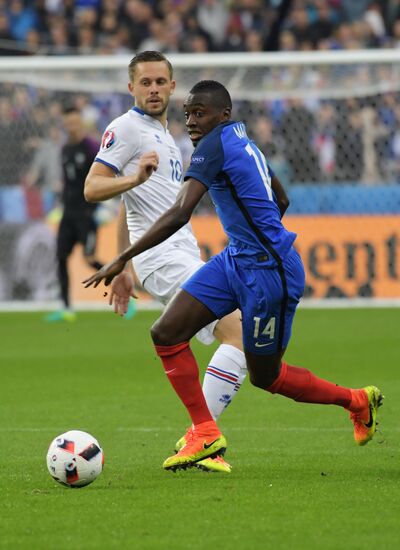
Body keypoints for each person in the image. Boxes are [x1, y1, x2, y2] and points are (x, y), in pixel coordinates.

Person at [84, 80, 383, 472]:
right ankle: (206, 432)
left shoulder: (213, 146)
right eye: (188, 112)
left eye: (200, 113)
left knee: (266, 375)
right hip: (236, 259)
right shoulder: (242, 137)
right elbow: (282, 198)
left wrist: (120, 258)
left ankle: (356, 401)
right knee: (166, 332)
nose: (191, 121)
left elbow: (179, 214)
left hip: (267, 273)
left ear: (222, 114)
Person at [84, 51, 247, 474]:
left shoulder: (166, 135)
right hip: (165, 259)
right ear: (131, 88)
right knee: (240, 335)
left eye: (161, 82)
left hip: (172, 255)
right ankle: (202, 436)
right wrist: (133, 179)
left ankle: (202, 436)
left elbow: (130, 206)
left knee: (238, 336)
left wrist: (123, 267)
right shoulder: (125, 129)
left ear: (172, 87)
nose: (153, 89)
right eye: (145, 82)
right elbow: (93, 187)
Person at [46, 106, 104, 322]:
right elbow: (67, 182)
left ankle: (124, 286)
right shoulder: (65, 149)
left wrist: (102, 207)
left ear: (81, 122)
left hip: (87, 213)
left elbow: (103, 177)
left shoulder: (91, 147)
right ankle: (66, 307)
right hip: (68, 213)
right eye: (67, 123)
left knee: (90, 259)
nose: (71, 126)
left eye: (74, 122)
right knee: (61, 257)